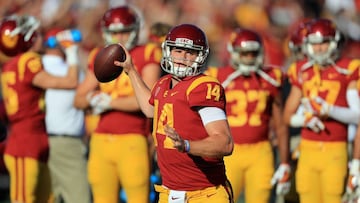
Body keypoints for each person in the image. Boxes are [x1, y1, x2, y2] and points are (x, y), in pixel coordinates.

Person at [114, 23, 234, 203]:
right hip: (170, 192)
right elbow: (150, 109)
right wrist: (131, 71)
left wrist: (187, 146)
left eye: (190, 52)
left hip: (205, 193)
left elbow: (224, 143)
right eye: (178, 51)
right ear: (168, 50)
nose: (182, 57)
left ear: (200, 57)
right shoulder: (164, 83)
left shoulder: (203, 86)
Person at [73, 5, 162, 203]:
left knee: (138, 198)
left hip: (133, 138)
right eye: (114, 33)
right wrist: (92, 100)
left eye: (124, 31)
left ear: (135, 30)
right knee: (102, 198)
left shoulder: (147, 52)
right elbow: (78, 99)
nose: (120, 38)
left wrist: (110, 102)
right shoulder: (99, 54)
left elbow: (150, 100)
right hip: (101, 139)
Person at [0, 15, 79, 203]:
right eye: (33, 33)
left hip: (35, 138)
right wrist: (72, 52)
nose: (39, 36)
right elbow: (70, 82)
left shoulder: (12, 64)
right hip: (25, 142)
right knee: (23, 200)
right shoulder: (28, 61)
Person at [206, 28, 290, 203]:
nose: (249, 58)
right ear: (234, 53)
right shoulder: (217, 77)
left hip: (260, 151)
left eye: (253, 54)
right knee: (223, 199)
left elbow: (280, 125)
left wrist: (284, 162)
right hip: (229, 151)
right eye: (244, 54)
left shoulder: (270, 78)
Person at [284, 18, 360, 203]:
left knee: (333, 197)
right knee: (307, 197)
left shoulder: (349, 68)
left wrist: (329, 110)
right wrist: (305, 120)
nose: (319, 49)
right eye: (315, 44)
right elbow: (287, 116)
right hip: (308, 149)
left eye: (324, 43)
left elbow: (358, 116)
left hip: (336, 149)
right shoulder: (301, 70)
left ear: (334, 42)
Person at [42, 27, 91, 203]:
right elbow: (94, 73)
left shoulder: (37, 66)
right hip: (67, 143)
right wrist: (74, 50)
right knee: (80, 199)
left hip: (41, 140)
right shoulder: (68, 69)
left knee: (47, 197)